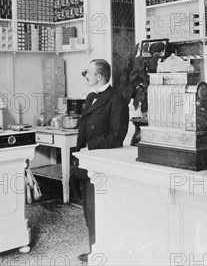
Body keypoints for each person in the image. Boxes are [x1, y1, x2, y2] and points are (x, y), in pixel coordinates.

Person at [72, 59, 129, 263]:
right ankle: (94, 249)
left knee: (98, 208)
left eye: (88, 72)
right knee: (89, 208)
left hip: (101, 161)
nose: (85, 75)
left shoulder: (117, 100)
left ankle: (101, 251)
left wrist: (91, 146)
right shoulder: (90, 97)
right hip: (86, 159)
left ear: (99, 76)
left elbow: (117, 136)